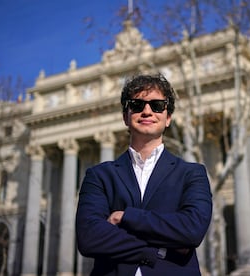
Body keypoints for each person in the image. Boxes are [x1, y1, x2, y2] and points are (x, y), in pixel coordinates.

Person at [76, 73, 212, 276]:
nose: (147, 111)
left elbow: (191, 231)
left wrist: (126, 217)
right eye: (137, 105)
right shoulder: (99, 175)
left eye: (157, 105)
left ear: (168, 118)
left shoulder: (192, 173)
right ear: (125, 117)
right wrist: (156, 251)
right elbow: (88, 238)